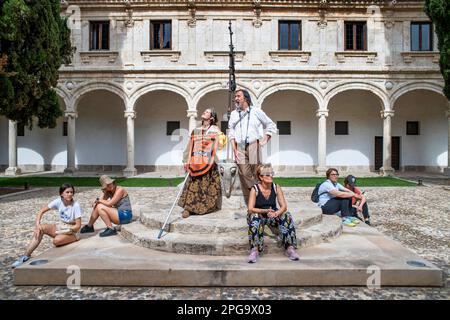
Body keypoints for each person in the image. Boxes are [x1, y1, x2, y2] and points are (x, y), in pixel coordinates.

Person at [11, 183, 82, 268]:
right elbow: (41, 211)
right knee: (41, 228)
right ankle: (25, 256)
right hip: (62, 226)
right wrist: (37, 225)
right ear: (61, 194)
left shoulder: (76, 205)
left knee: (56, 241)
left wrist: (65, 231)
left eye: (71, 192)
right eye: (67, 192)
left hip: (73, 230)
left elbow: (78, 226)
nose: (70, 194)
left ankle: (72, 239)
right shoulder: (58, 201)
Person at [228, 89, 277, 204]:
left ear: (246, 98)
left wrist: (266, 139)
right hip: (239, 146)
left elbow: (271, 125)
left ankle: (260, 199)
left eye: (238, 96)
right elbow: (231, 131)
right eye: (235, 96)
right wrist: (234, 148)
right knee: (244, 172)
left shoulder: (256, 111)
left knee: (256, 171)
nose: (236, 98)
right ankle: (255, 194)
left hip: (253, 144)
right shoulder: (234, 114)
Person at [246, 163, 300, 263]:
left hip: (272, 215)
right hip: (259, 214)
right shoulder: (255, 189)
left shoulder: (276, 187)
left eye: (271, 173)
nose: (270, 176)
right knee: (254, 217)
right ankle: (255, 250)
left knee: (286, 215)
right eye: (267, 174)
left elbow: (284, 206)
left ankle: (289, 248)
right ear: (260, 177)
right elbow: (250, 208)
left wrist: (276, 213)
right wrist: (265, 211)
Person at [178, 108, 223, 218]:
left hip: (209, 163)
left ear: (211, 118)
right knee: (193, 186)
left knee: (206, 186)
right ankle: (188, 209)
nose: (204, 112)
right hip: (196, 162)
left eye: (207, 112)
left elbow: (220, 146)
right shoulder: (196, 130)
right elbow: (190, 146)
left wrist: (219, 137)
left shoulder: (215, 130)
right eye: (205, 111)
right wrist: (185, 160)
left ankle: (204, 208)